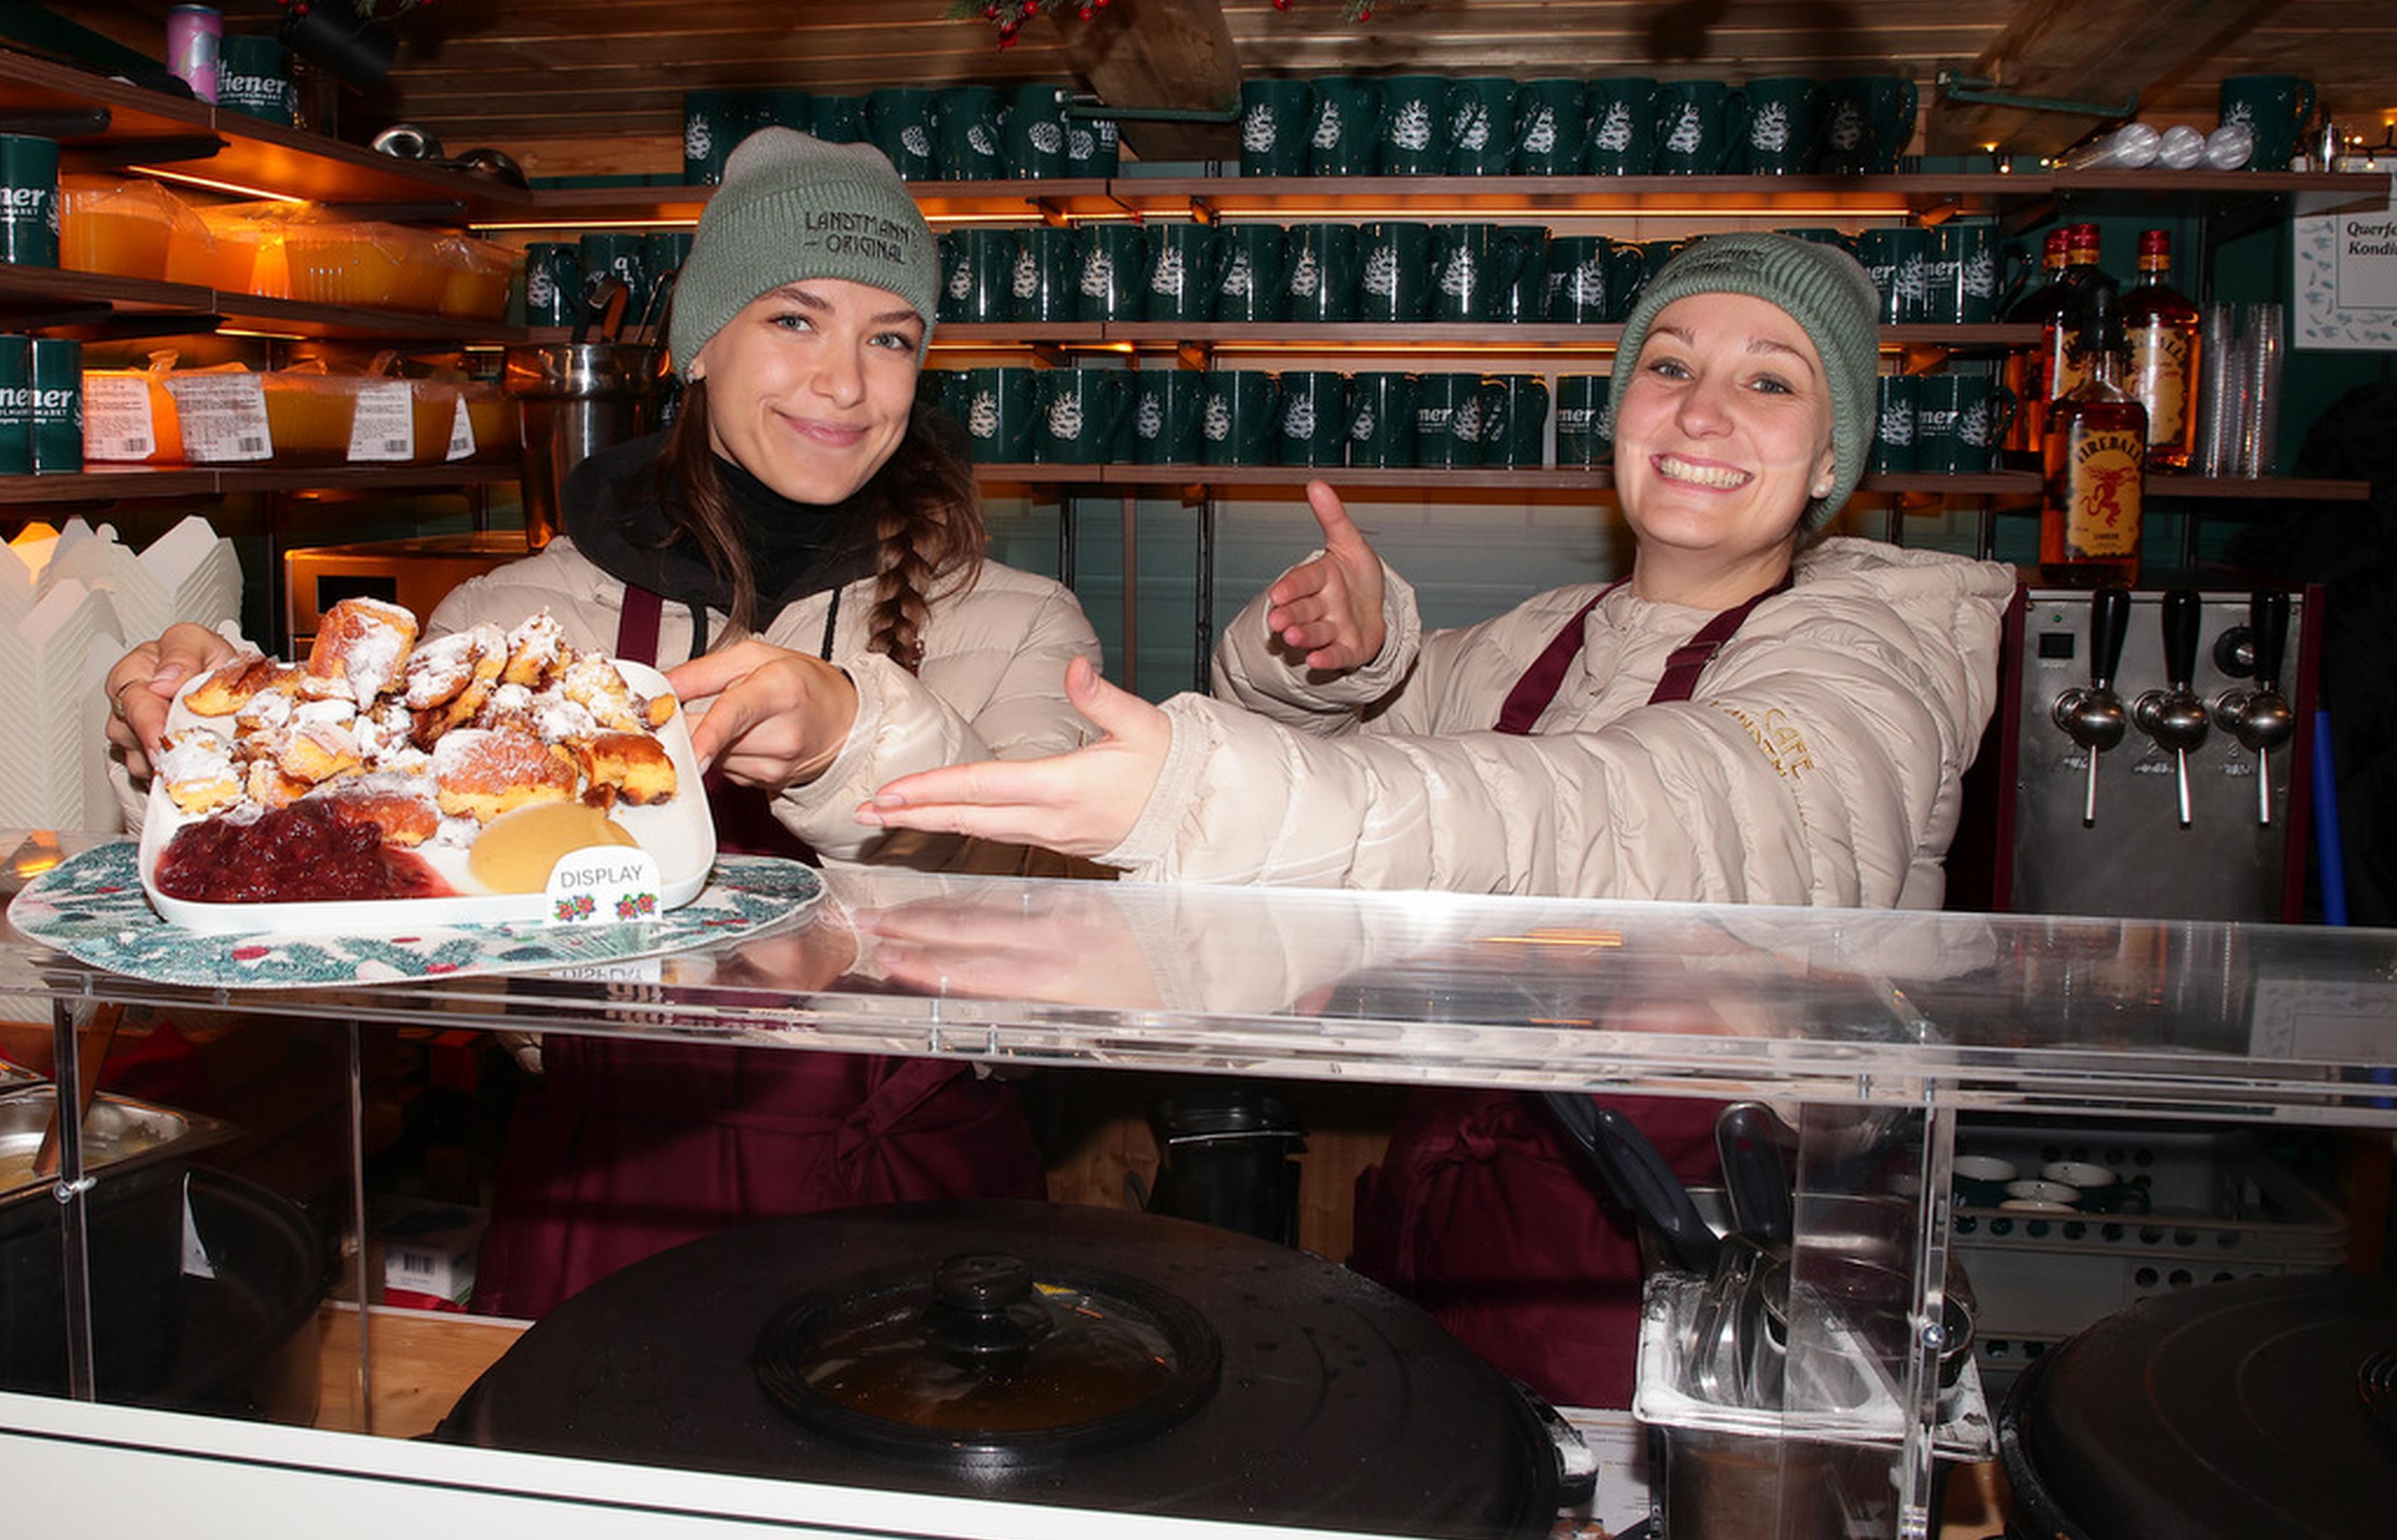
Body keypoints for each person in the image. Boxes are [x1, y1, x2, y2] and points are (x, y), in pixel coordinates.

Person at [859, 231, 2019, 1402]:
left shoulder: (1876, 656)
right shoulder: (1540, 640)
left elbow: (1649, 806)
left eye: (1770, 380)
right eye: (1668, 366)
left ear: (1833, 458)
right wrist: (1325, 659)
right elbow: (1356, 801)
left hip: (1703, 1299)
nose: (1702, 412)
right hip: (1458, 1239)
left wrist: (1204, 788)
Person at [105, 127, 1102, 1318]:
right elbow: (367, 894)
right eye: (795, 318)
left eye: (890, 337)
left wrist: (856, 737)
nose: (846, 381)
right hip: (606, 1209)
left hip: (919, 1214)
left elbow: (1058, 910)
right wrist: (205, 750)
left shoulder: (1020, 623)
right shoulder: (509, 620)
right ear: (697, 345)